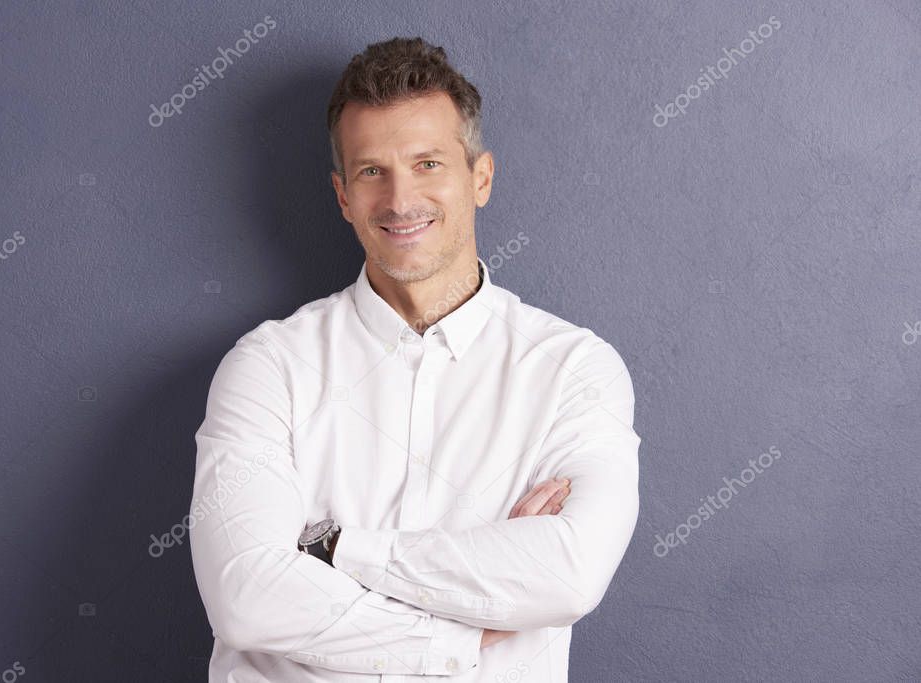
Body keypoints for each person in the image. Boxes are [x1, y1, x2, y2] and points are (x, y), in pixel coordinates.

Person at [190, 36, 641, 682]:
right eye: (372, 171)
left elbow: (568, 573)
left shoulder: (574, 370)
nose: (400, 201)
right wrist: (464, 629)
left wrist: (335, 549)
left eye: (427, 164)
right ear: (343, 195)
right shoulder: (266, 367)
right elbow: (245, 598)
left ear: (479, 177)